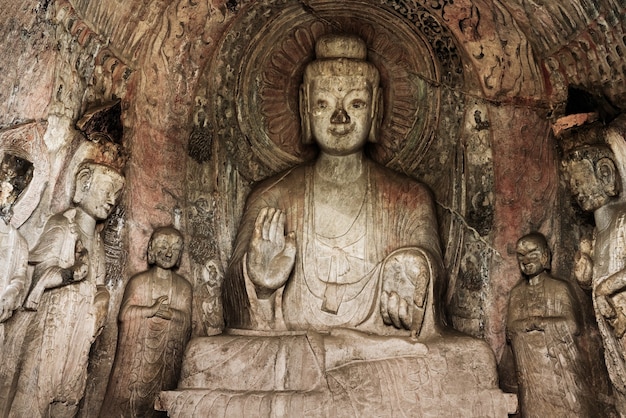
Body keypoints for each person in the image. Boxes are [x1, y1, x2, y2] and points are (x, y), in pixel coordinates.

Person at [223, 34, 445, 338]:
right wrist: (259, 283)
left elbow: (434, 296)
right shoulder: (271, 196)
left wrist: (415, 267)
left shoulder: (409, 197)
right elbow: (237, 313)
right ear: (305, 108)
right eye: (323, 103)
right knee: (204, 357)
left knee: (472, 357)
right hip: (295, 345)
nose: (340, 118)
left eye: (356, 103)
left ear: (376, 109)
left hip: (378, 347)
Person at [8, 161, 124, 417]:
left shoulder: (97, 243)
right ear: (84, 183)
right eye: (107, 190)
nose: (111, 200)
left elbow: (100, 284)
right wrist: (70, 274)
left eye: (116, 195)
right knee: (35, 394)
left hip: (81, 330)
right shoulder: (63, 225)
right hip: (54, 323)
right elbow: (39, 277)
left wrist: (102, 297)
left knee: (68, 399)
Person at [563, 118, 626, 414]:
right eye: (571, 184)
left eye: (578, 180)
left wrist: (605, 287)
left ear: (605, 172)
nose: (575, 190)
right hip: (611, 325)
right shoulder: (594, 235)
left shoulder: (624, 220)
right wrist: (587, 277)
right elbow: (599, 273)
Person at [102, 226, 192, 417]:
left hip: (166, 360)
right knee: (127, 400)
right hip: (136, 361)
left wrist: (169, 314)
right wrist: (150, 310)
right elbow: (124, 315)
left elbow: (186, 321)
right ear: (151, 248)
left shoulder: (183, 287)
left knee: (161, 402)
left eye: (175, 249)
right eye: (163, 246)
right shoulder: (139, 282)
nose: (169, 252)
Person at [507, 232, 589, 417]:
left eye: (532, 253)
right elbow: (511, 328)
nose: (526, 259)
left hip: (558, 365)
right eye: (521, 255)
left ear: (545, 256)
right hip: (531, 370)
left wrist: (540, 323)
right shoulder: (517, 293)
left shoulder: (559, 288)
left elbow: (572, 325)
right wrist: (530, 325)